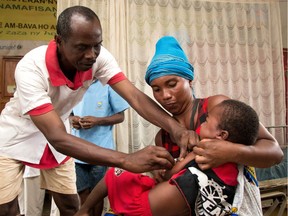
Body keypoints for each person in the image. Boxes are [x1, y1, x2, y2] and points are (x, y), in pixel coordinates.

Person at [0, 7, 194, 216]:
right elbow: (57, 137)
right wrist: (126, 159)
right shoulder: (31, 68)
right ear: (59, 41)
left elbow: (135, 97)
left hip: (57, 132)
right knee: (6, 207)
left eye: (97, 46)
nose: (91, 55)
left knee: (70, 205)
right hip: (17, 135)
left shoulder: (99, 58)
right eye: (82, 47)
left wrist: (176, 129)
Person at [75, 99, 260, 216]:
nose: (202, 121)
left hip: (145, 208)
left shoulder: (203, 150)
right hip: (181, 204)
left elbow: (172, 174)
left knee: (117, 172)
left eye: (207, 120)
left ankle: (84, 210)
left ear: (222, 135)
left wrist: (170, 164)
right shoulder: (235, 161)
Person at [71, 79, 129, 215]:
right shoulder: (74, 84)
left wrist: (98, 121)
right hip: (76, 150)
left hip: (101, 150)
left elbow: (120, 117)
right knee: (82, 192)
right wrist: (72, 119)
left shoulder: (108, 84)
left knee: (96, 195)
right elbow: (67, 113)